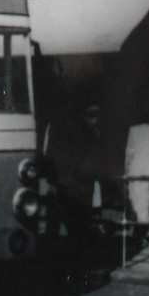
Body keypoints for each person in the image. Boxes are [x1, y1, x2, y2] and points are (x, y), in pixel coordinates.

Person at [44, 105, 106, 250]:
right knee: (77, 233)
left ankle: (50, 264)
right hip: (77, 191)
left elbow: (48, 156)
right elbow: (95, 162)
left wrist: (51, 181)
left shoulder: (55, 127)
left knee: (54, 231)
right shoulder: (90, 132)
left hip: (61, 187)